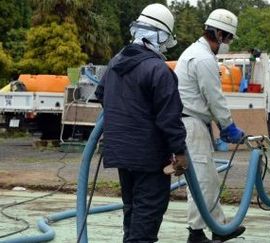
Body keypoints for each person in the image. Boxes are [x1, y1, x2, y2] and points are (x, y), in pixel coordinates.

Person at [95, 3, 187, 243]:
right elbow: (170, 118)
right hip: (150, 157)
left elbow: (100, 94)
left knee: (132, 212)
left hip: (121, 154)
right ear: (160, 37)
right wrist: (180, 151)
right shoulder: (158, 70)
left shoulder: (115, 63)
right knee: (146, 219)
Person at [174, 9, 246, 243]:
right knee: (202, 181)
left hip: (193, 122)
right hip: (191, 124)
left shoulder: (195, 53)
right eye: (227, 38)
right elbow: (214, 98)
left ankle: (220, 228)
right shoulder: (203, 59)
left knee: (209, 179)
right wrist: (228, 126)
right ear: (217, 32)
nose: (227, 43)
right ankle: (196, 233)